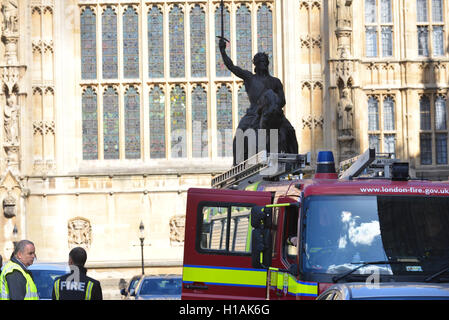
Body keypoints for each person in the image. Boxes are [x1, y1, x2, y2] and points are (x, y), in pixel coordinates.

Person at [219, 38, 287, 164]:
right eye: (260, 62)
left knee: (289, 131)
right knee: (240, 134)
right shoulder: (250, 78)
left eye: (264, 61)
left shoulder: (275, 82)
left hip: (272, 113)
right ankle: (237, 164)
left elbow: (283, 101)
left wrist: (273, 106)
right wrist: (223, 52)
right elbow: (232, 67)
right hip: (254, 113)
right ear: (255, 64)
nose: (263, 64)